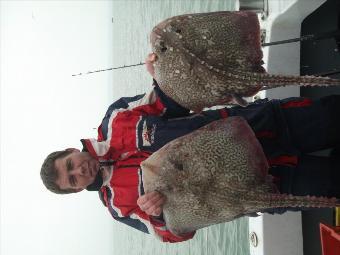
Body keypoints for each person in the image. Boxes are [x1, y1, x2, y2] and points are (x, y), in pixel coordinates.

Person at [40, 53, 340, 243]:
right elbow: (173, 234)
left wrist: (162, 73)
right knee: (333, 184)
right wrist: (157, 215)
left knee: (332, 118)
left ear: (70, 151)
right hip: (268, 185)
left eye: (70, 165)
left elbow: (170, 99)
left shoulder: (117, 117)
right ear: (77, 189)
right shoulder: (119, 206)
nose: (79, 171)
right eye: (73, 179)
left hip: (266, 125)